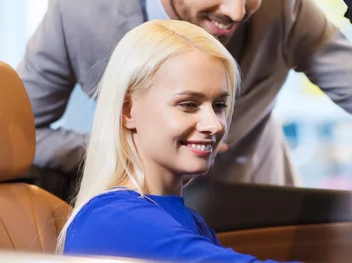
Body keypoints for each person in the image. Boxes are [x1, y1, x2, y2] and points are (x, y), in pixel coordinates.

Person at [17, 0, 352, 195]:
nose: (235, 10)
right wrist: (131, 149)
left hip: (253, 197)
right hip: (140, 207)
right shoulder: (76, 8)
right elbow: (22, 135)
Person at [58, 19, 295, 262]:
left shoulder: (185, 218)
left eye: (219, 105)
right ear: (127, 111)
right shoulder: (114, 219)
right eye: (189, 105)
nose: (213, 124)